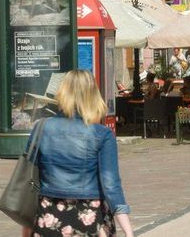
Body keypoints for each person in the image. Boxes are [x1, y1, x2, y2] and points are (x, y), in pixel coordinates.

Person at [31, 70, 134, 237]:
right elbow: (111, 184)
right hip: (90, 217)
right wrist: (128, 231)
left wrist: (27, 226)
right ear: (93, 95)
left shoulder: (41, 127)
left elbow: (31, 178)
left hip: (48, 214)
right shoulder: (101, 134)